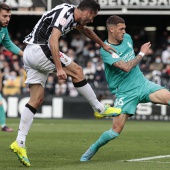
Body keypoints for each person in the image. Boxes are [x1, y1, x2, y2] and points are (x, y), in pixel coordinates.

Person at [9, 1, 121, 167]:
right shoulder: (65, 13)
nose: (91, 21)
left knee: (36, 99)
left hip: (29, 53)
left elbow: (85, 30)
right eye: (93, 17)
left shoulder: (75, 18)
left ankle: (19, 142)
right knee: (77, 71)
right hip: (40, 49)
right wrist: (59, 68)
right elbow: (54, 39)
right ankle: (99, 109)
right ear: (88, 12)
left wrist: (103, 44)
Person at [80, 15, 170, 162]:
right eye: (121, 29)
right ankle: (92, 149)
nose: (124, 31)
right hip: (125, 93)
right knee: (115, 131)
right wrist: (141, 53)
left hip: (143, 84)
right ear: (111, 29)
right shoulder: (106, 50)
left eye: (124, 28)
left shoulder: (127, 38)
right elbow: (126, 67)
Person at [0, 3, 23, 132]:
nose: (7, 19)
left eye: (9, 16)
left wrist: (25, 55)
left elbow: (8, 44)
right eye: (4, 16)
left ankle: (3, 125)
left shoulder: (3, 29)